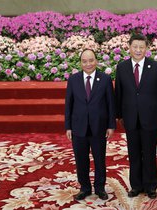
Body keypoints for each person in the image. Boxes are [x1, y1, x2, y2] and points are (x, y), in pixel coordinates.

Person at [115, 34, 157, 199]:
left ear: (146, 49)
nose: (138, 50)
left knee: (150, 153)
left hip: (151, 117)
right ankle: (136, 186)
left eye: (141, 47)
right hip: (130, 118)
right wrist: (118, 115)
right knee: (134, 153)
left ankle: (151, 186)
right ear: (129, 47)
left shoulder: (156, 67)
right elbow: (119, 94)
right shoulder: (122, 67)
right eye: (135, 47)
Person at [65, 49, 116, 200]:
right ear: (80, 63)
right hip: (78, 127)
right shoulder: (73, 80)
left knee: (100, 159)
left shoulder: (105, 79)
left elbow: (110, 104)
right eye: (85, 61)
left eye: (91, 60)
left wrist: (111, 125)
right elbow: (69, 104)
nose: (88, 64)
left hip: (99, 126)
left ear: (96, 61)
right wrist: (68, 126)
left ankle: (100, 187)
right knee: (81, 159)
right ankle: (85, 187)